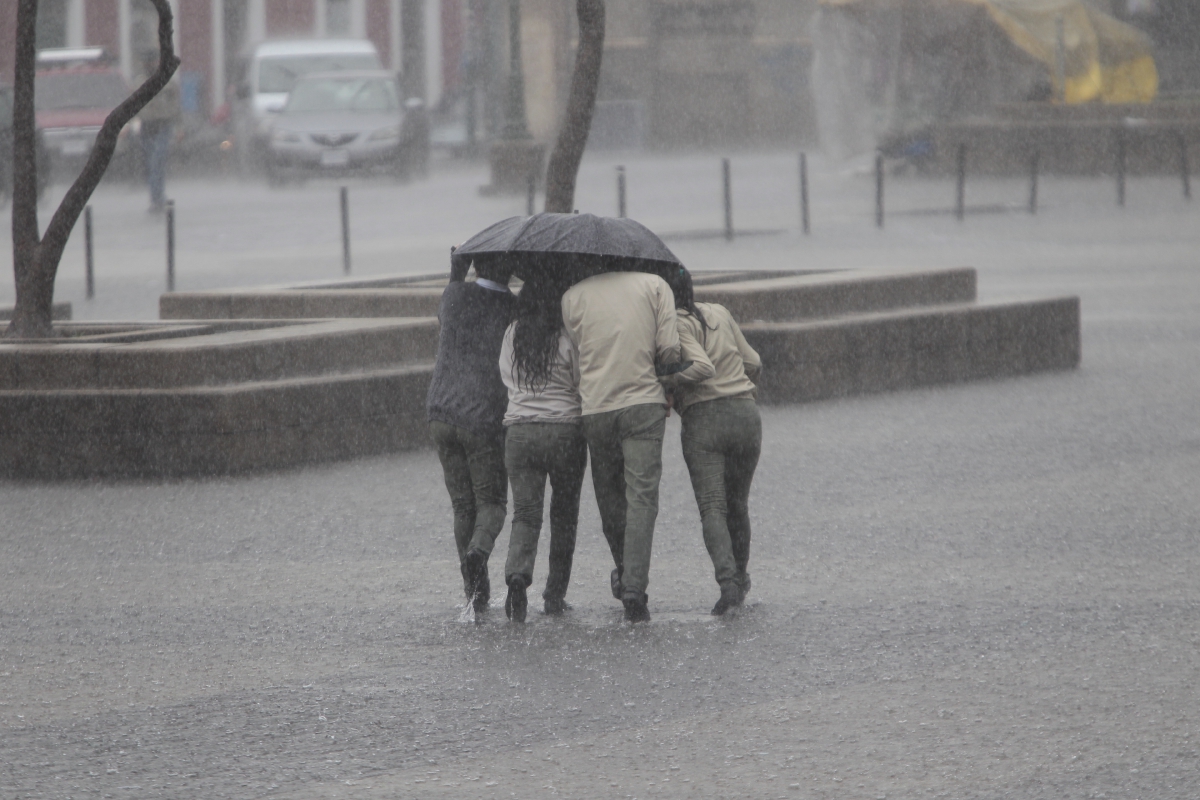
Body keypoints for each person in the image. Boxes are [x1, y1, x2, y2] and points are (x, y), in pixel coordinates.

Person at [562, 268, 681, 623]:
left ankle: (624, 569)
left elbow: (576, 355)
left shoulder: (572, 296)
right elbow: (670, 348)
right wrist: (669, 387)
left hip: (596, 408)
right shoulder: (655, 285)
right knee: (642, 498)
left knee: (610, 496)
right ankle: (634, 587)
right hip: (643, 404)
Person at [666, 272, 763, 615]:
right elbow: (754, 362)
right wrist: (738, 390)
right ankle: (741, 575)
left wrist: (665, 379)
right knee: (738, 504)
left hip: (704, 421)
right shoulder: (719, 311)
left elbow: (701, 368)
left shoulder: (676, 322)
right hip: (746, 416)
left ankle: (728, 584)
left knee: (712, 508)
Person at [426, 259, 516, 613]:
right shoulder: (512, 307)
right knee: (492, 503)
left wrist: (456, 270)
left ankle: (474, 591)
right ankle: (478, 551)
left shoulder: (454, 295)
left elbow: (446, 312)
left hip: (440, 412)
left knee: (463, 506)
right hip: (481, 417)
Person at [499, 276, 587, 623]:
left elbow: (506, 376)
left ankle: (517, 576)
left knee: (525, 513)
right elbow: (580, 381)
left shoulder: (512, 333)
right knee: (564, 515)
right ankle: (554, 594)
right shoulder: (567, 334)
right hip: (565, 431)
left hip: (520, 433)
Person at [136, 52, 181, 213]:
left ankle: (158, 198)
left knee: (157, 162)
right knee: (152, 164)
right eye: (149, 62)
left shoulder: (167, 80)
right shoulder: (139, 82)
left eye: (154, 61)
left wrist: (179, 126)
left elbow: (176, 104)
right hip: (147, 127)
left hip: (163, 125)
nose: (151, 64)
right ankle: (156, 197)